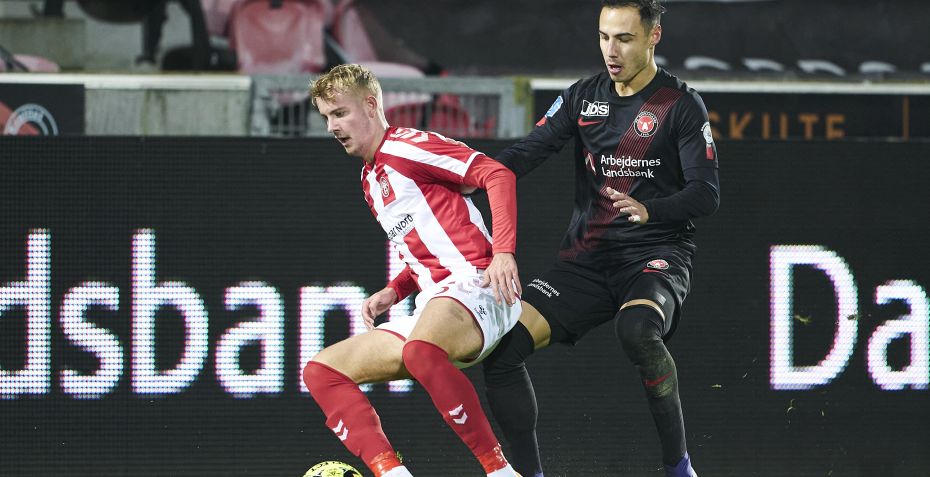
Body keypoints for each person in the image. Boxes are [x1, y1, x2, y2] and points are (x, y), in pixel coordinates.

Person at [480, 1, 719, 476]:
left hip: (655, 254)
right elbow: (527, 153)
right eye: (605, 37)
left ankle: (679, 468)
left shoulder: (679, 104)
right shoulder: (582, 97)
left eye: (625, 39)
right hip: (585, 261)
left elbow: (706, 193)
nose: (612, 50)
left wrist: (652, 209)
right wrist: (465, 176)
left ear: (654, 37)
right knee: (503, 350)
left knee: (637, 330)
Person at [302, 63, 524, 477]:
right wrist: (394, 290)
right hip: (437, 303)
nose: (332, 127)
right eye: (326, 117)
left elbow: (497, 174)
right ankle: (392, 473)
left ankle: (500, 472)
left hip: (481, 285)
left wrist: (504, 252)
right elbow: (423, 248)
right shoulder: (369, 180)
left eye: (340, 113)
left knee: (420, 349)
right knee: (322, 371)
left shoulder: (407, 147)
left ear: (371, 106)